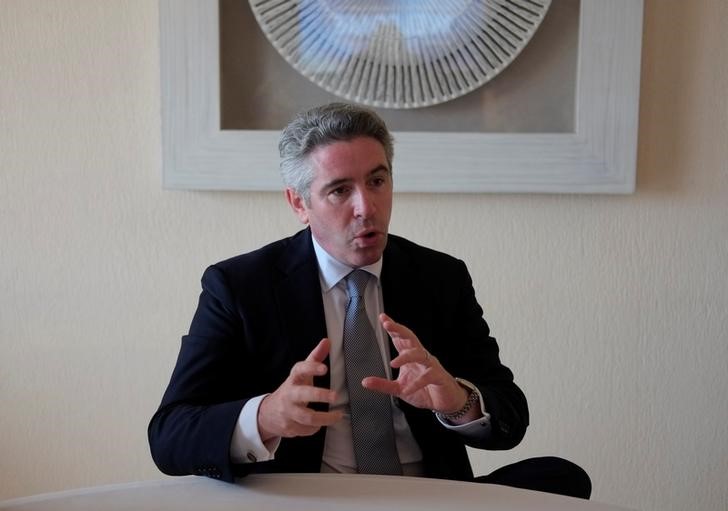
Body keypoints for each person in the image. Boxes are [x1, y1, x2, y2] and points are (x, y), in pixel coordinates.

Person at [148, 103, 591, 499]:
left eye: (377, 181)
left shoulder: (440, 277)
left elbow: (510, 415)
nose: (367, 207)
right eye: (340, 190)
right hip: (312, 498)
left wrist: (456, 400)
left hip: (426, 497)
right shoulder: (240, 286)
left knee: (561, 479)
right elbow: (169, 436)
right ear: (299, 204)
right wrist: (266, 416)